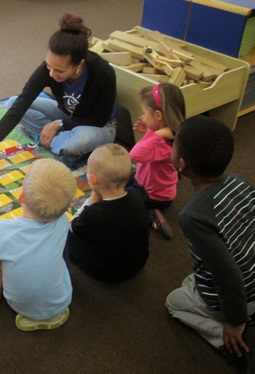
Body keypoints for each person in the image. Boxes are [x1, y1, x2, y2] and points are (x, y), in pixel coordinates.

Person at [0, 13, 117, 172]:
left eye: (59, 71)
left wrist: (58, 124)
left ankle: (51, 140)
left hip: (98, 126)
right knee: (12, 103)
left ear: (79, 65)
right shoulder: (49, 69)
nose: (51, 74)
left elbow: (98, 119)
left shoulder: (103, 73)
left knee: (80, 139)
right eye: (49, 67)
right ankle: (57, 144)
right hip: (68, 116)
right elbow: (22, 103)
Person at [166, 116, 255, 373]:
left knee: (174, 302)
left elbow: (228, 277)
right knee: (191, 280)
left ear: (182, 165)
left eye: (174, 145)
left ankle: (234, 341)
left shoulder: (192, 216)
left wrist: (235, 322)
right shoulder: (239, 180)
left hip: (242, 297)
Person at [0, 158, 77, 331]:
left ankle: (31, 315)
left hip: (19, 306)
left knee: (1, 262)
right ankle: (52, 314)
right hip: (62, 301)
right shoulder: (63, 221)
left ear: (21, 196)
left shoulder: (1, 230)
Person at [67, 144, 149, 283]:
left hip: (108, 273)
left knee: (66, 235)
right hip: (138, 263)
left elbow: (72, 227)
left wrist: (93, 198)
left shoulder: (94, 213)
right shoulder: (137, 196)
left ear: (92, 179)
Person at [127, 83, 186, 239]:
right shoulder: (169, 135)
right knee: (123, 179)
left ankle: (152, 216)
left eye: (144, 113)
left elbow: (135, 155)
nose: (142, 117)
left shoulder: (166, 146)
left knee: (125, 205)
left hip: (153, 196)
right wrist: (148, 131)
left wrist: (154, 135)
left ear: (159, 116)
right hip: (145, 182)